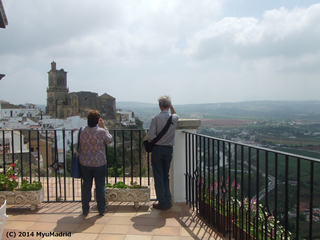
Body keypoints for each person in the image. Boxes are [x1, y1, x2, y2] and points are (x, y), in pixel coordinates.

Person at [147, 95, 179, 210]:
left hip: (158, 149)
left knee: (159, 176)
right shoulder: (174, 118)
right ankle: (167, 199)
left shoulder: (155, 118)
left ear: (159, 106)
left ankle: (163, 202)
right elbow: (175, 114)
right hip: (169, 149)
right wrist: (171, 106)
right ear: (169, 106)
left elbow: (150, 136)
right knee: (166, 175)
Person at [79, 110, 113, 216]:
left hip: (85, 162)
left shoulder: (82, 130)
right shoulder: (101, 132)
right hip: (99, 163)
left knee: (86, 186)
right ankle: (101, 209)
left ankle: (85, 208)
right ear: (98, 120)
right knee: (100, 186)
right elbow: (109, 140)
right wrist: (104, 127)